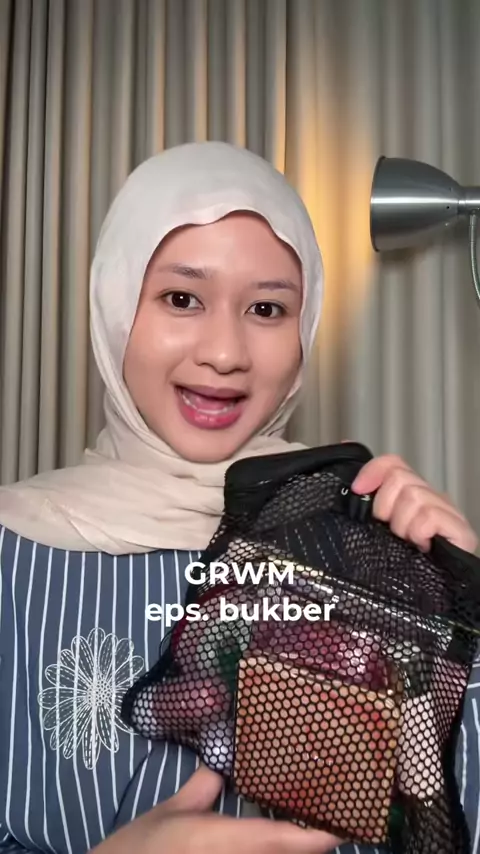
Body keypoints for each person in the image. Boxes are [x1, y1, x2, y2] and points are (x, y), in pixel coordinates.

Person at [0, 141, 477, 854]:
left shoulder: (371, 555)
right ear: (116, 306)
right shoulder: (12, 555)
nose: (225, 353)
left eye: (266, 308)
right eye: (181, 299)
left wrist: (459, 601)